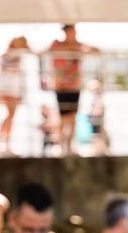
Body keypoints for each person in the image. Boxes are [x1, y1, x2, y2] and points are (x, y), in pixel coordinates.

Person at [47, 24, 99, 156]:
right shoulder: (57, 44)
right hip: (61, 86)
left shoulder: (79, 45)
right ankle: (60, 144)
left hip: (74, 86)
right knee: (63, 117)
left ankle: (69, 144)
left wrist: (79, 48)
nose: (74, 34)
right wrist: (73, 49)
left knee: (73, 117)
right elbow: (50, 51)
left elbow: (96, 50)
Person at [0, 36, 30, 154]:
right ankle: (2, 139)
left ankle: (4, 140)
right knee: (10, 114)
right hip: (8, 87)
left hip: (13, 87)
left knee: (11, 115)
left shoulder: (14, 54)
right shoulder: (9, 54)